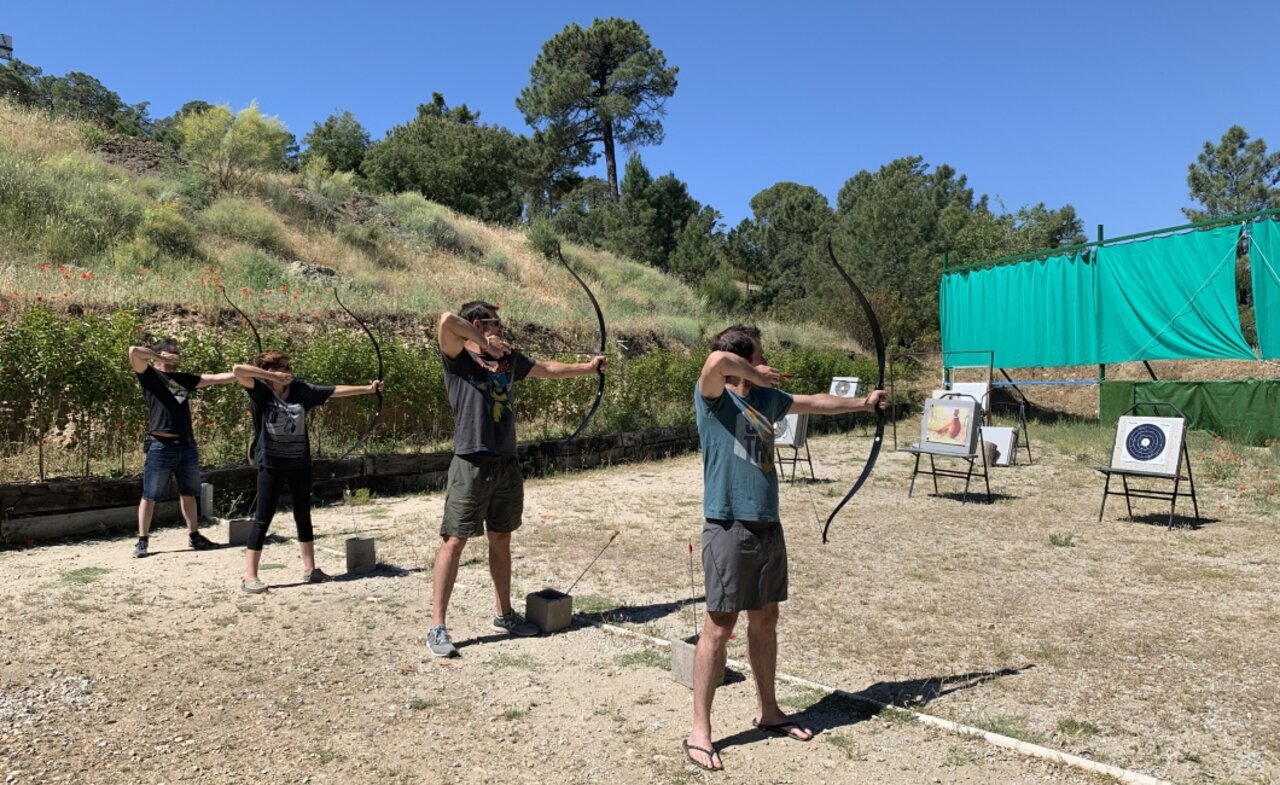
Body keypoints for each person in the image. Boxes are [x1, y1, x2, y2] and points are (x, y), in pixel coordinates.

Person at [682, 324, 886, 771]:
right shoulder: (714, 398)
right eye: (760, 355)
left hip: (767, 526)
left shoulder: (766, 399)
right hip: (728, 526)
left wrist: (863, 403)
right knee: (718, 626)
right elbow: (716, 361)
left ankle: (769, 710)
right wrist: (753, 371)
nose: (767, 361)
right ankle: (700, 730)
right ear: (745, 360)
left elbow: (816, 402)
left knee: (766, 618)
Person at [426, 301, 607, 657]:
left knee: (501, 537)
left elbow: (549, 369)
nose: (501, 328)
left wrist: (588, 368)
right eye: (494, 323)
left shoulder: (509, 361)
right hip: (471, 460)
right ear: (477, 323)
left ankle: (504, 615)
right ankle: (437, 626)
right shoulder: (458, 357)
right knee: (455, 540)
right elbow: (447, 320)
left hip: (505, 461)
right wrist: (484, 342)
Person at [232, 351, 382, 594]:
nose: (287, 371)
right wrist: (271, 377)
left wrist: (368, 389)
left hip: (300, 463)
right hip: (271, 463)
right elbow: (238, 369)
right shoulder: (259, 390)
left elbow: (333, 390)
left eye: (288, 367)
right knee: (263, 518)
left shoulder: (301, 391)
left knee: (303, 514)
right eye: (282, 367)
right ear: (268, 371)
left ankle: (310, 569)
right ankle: (250, 576)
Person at [129, 339, 237, 558]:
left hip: (186, 446)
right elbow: (134, 352)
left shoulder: (183, 379)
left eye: (177, 352)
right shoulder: (150, 375)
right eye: (171, 352)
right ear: (159, 353)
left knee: (188, 493)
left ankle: (194, 536)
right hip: (161, 446)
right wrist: (158, 358)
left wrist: (245, 373)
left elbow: (216, 378)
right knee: (150, 495)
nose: (176, 355)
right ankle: (142, 541)